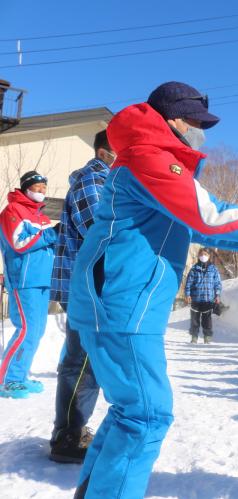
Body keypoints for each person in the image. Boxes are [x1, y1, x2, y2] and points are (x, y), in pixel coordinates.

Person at [66, 81, 238, 499]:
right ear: (173, 119)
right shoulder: (149, 157)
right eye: (197, 122)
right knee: (146, 416)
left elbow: (195, 223)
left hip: (123, 305)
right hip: (122, 306)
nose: (201, 131)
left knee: (131, 411)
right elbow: (208, 216)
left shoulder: (150, 160)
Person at [49, 130, 115, 463]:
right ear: (105, 152)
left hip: (87, 286)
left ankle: (69, 429)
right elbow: (102, 233)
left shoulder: (102, 182)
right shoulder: (93, 181)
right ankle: (68, 436)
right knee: (84, 364)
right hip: (86, 287)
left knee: (83, 361)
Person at [0, 171, 57, 399]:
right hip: (24, 280)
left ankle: (19, 376)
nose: (41, 191)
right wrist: (53, 234)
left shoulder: (40, 215)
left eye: (44, 188)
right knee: (26, 329)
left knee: (36, 331)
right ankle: (8, 380)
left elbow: (46, 243)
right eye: (37, 187)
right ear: (26, 187)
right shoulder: (13, 211)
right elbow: (19, 243)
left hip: (42, 279)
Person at [184, 248, 222, 344]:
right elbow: (189, 283)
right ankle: (194, 337)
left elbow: (217, 283)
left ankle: (207, 337)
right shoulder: (194, 269)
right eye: (201, 254)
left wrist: (217, 295)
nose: (203, 256)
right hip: (195, 299)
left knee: (207, 320)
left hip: (208, 299)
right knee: (194, 320)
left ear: (209, 256)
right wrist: (188, 294)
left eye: (205, 254)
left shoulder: (213, 269)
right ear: (198, 256)